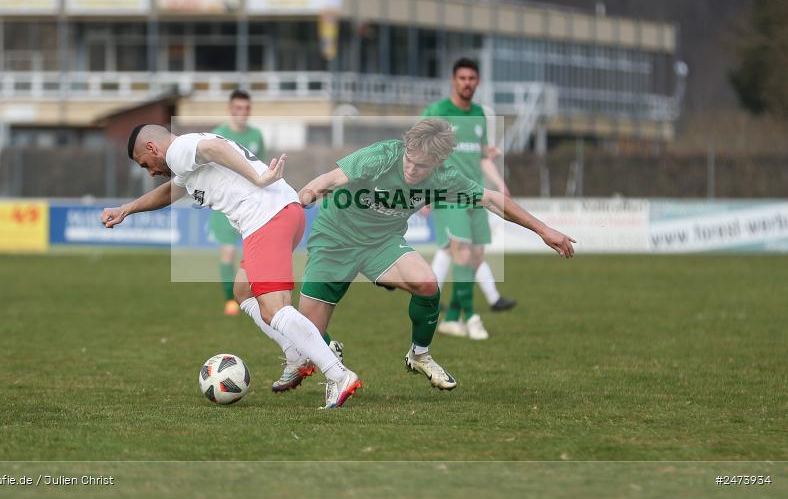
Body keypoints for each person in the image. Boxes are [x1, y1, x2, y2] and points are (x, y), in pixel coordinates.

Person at [261, 119, 574, 398]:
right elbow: (326, 181)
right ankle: (321, 350)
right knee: (307, 336)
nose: (411, 170)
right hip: (335, 240)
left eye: (421, 166)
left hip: (382, 243)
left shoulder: (444, 178)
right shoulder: (382, 156)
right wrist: (297, 207)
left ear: (438, 163)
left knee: (427, 283)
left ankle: (419, 355)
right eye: (409, 160)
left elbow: (492, 200)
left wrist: (544, 230)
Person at [101, 124, 362, 409]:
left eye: (145, 164)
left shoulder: (178, 150)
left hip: (266, 218)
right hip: (279, 214)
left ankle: (339, 375)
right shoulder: (185, 157)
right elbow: (170, 192)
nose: (150, 172)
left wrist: (258, 178)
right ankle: (296, 354)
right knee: (243, 291)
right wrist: (127, 209)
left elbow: (216, 149)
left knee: (274, 309)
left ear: (152, 148)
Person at [422, 57, 515, 341]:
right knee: (460, 252)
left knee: (475, 257)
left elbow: (483, 157)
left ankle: (451, 319)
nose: (467, 83)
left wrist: (500, 184)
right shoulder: (438, 112)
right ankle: (472, 317)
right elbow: (420, 151)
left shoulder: (479, 115)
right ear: (454, 80)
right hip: (447, 195)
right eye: (462, 78)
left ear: (477, 81)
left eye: (471, 78)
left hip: (476, 195)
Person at [209, 90, 267, 316]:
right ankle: (230, 300)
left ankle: (254, 295)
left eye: (246, 108)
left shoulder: (257, 135)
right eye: (238, 108)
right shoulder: (218, 135)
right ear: (230, 109)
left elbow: (261, 168)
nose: (243, 112)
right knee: (228, 252)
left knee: (254, 255)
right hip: (225, 206)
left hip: (252, 205)